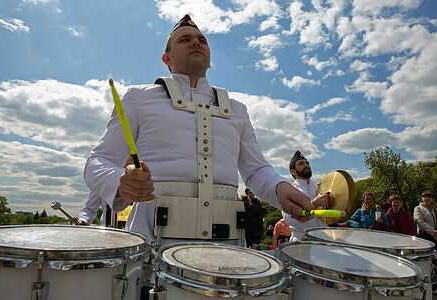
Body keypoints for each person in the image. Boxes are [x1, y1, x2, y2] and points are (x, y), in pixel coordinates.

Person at [83, 15, 314, 246]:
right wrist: (120, 181)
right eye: (185, 39)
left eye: (201, 39)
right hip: (153, 242)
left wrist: (280, 188)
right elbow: (97, 161)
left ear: (210, 60)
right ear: (167, 59)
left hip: (228, 243)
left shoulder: (237, 109)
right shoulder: (137, 98)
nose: (196, 42)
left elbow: (255, 171)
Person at [281, 151, 329, 239]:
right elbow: (288, 219)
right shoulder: (290, 190)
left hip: (324, 237)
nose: (306, 165)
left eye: (307, 163)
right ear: (292, 171)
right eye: (301, 163)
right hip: (302, 241)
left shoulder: (319, 189)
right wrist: (314, 204)